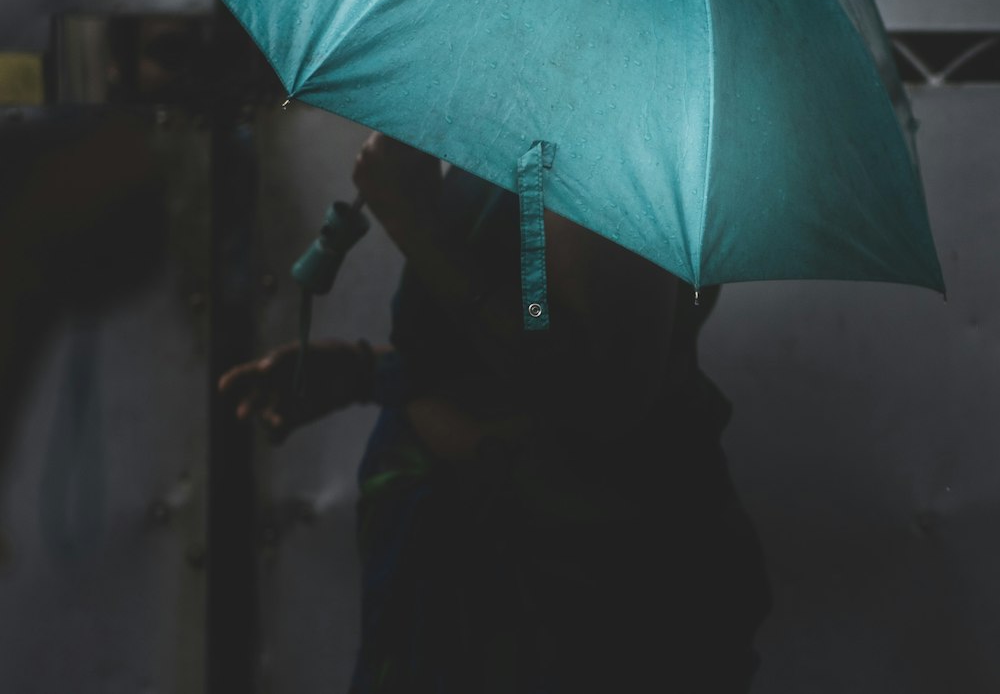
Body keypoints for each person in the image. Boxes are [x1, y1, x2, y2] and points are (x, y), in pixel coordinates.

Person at [220, 132, 771, 693]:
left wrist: (416, 223)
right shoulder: (530, 131)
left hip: (558, 618)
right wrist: (364, 372)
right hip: (468, 601)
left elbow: (599, 396)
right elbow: (528, 321)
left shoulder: (609, 148)